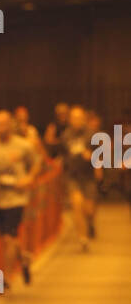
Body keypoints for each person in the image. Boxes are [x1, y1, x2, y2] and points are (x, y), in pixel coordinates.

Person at [0, 110, 36, 286]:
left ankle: (6, 277)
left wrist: (29, 178)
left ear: (11, 125)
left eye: (3, 124)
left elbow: (36, 163)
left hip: (16, 198)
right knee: (7, 238)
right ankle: (24, 258)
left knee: (8, 238)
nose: (0, 128)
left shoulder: (23, 145)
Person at [62, 105, 100, 251]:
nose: (76, 120)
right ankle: (82, 238)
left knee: (89, 209)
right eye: (74, 118)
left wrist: (93, 158)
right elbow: (63, 155)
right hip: (73, 176)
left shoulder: (92, 135)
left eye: (79, 117)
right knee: (76, 204)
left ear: (84, 119)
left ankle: (89, 222)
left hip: (88, 175)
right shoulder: (66, 135)